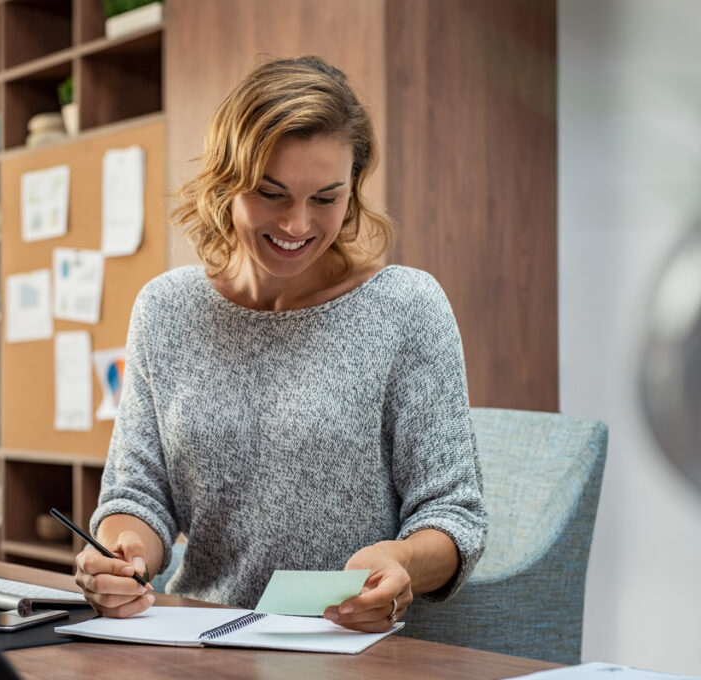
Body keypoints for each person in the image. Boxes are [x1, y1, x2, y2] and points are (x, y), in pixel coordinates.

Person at [75, 55, 487, 633]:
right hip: (198, 635)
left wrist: (401, 561)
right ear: (226, 180)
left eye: (326, 197)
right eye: (271, 194)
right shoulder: (165, 310)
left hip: (347, 643)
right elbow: (138, 494)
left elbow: (454, 516)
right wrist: (121, 555)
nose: (297, 225)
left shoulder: (407, 307)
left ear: (354, 190)